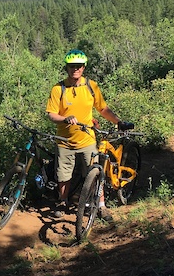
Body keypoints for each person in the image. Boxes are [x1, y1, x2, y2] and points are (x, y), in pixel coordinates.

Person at [46, 49, 132, 220]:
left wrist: (118, 122)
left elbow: (103, 109)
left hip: (87, 139)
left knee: (95, 173)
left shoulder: (91, 86)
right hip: (65, 141)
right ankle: (63, 202)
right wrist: (64, 119)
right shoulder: (58, 89)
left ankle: (101, 206)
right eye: (72, 66)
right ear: (67, 67)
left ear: (84, 67)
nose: (75, 69)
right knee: (63, 176)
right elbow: (51, 114)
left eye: (78, 66)